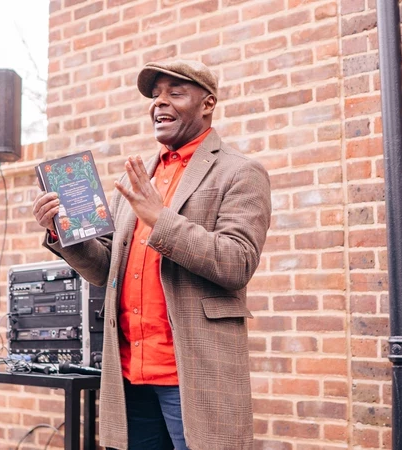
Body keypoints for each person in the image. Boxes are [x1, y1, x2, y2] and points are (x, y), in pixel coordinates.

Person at [32, 60, 272, 450]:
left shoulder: (240, 172)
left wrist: (160, 219)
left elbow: (237, 262)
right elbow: (107, 268)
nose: (160, 102)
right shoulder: (135, 176)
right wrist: (62, 232)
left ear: (208, 103)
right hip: (128, 373)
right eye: (155, 95)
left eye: (175, 93)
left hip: (192, 374)